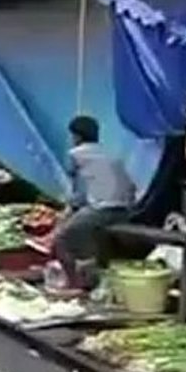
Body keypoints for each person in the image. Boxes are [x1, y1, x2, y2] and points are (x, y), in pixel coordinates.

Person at [53, 116, 136, 290]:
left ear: (76, 136)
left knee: (60, 239)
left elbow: (76, 192)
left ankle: (73, 284)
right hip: (125, 210)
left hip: (102, 209)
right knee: (92, 239)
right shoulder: (111, 155)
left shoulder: (75, 155)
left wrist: (67, 212)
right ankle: (92, 277)